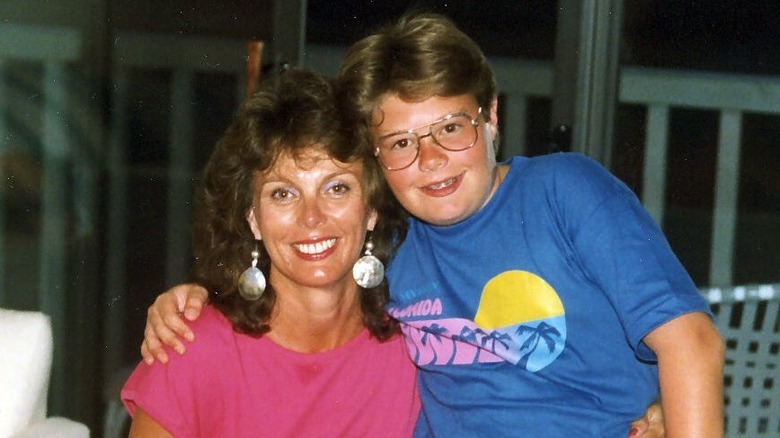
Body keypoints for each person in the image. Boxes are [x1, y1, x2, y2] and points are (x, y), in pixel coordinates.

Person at [140, 13, 725, 438]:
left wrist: (673, 418)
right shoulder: (394, 248)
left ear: (491, 115)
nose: (431, 159)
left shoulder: (565, 191)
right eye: (400, 142)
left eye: (451, 127)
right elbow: (306, 265)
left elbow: (692, 345)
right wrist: (188, 297)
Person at [121, 68, 420, 437]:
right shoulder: (192, 348)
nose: (312, 217)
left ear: (372, 208)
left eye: (337, 188)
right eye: (283, 193)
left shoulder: (416, 350)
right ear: (253, 219)